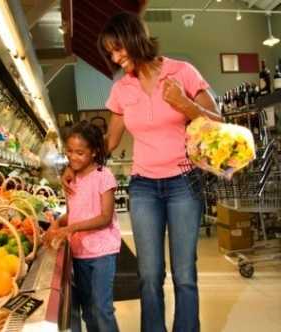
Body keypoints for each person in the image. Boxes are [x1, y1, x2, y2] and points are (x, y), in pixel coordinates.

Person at [63, 12, 222, 332]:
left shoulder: (182, 72)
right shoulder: (122, 90)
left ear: (136, 39)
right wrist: (74, 165)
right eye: (110, 53)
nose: (115, 57)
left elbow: (217, 123)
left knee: (184, 274)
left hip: (183, 182)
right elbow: (107, 142)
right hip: (144, 188)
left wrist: (185, 104)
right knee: (149, 275)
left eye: (118, 48)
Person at [45, 121, 121, 332]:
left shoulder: (103, 176)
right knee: (88, 309)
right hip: (79, 253)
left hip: (102, 252)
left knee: (102, 307)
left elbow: (105, 217)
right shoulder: (72, 179)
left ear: (94, 152)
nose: (73, 157)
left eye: (80, 152)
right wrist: (57, 223)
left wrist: (70, 229)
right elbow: (75, 213)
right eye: (69, 151)